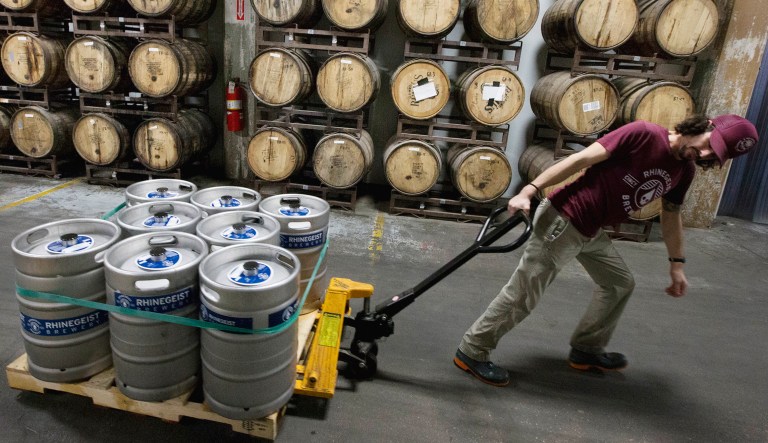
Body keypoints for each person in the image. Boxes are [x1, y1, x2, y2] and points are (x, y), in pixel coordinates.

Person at [453, 114, 760, 386]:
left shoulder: (685, 171)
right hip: (565, 217)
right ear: (704, 125)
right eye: (708, 143)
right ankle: (472, 350)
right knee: (524, 294)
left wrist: (677, 263)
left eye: (713, 154)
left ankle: (586, 349)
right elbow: (580, 160)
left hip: (591, 230)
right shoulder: (643, 134)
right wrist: (529, 191)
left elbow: (671, 215)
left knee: (619, 284)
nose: (704, 153)